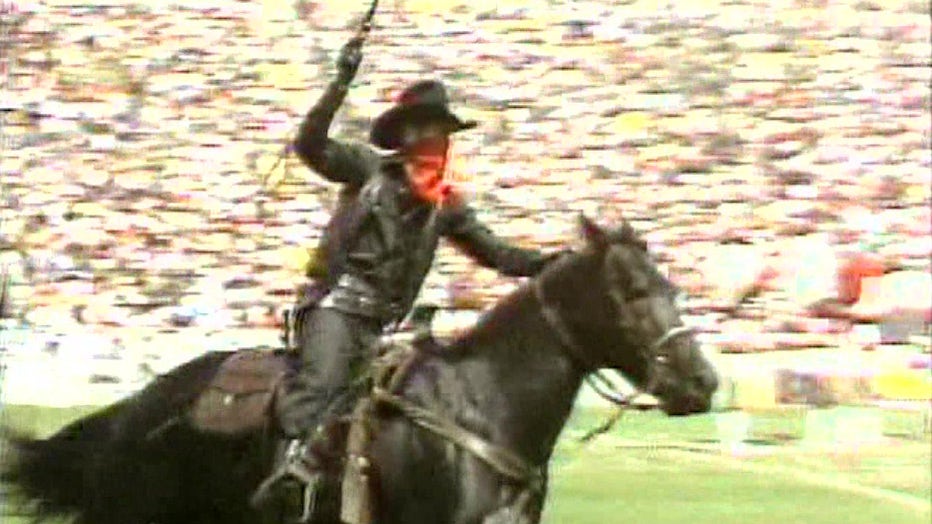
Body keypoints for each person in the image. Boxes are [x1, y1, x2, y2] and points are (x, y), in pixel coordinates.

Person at [252, 33, 569, 515]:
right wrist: (340, 83)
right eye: (422, 130)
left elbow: (498, 254)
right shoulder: (366, 170)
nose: (433, 142)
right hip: (338, 307)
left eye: (440, 132)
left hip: (393, 323)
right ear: (401, 137)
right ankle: (290, 477)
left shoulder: (446, 205)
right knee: (317, 390)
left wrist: (553, 263)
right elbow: (310, 146)